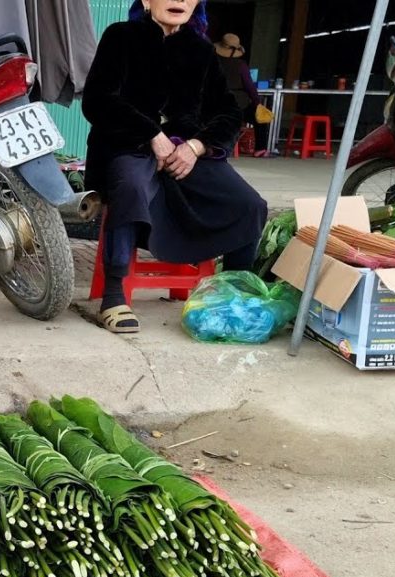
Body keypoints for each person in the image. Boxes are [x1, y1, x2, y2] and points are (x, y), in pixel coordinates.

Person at [81, 0, 267, 333]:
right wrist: (152, 133)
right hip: (130, 145)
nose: (179, 1)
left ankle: (232, 294)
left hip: (187, 155)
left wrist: (196, 146)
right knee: (132, 185)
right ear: (147, 1)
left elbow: (228, 112)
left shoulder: (200, 50)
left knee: (250, 204)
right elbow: (98, 100)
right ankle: (113, 297)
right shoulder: (121, 36)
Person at [214, 33, 270, 157]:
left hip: (215, 106)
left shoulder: (213, 63)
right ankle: (260, 149)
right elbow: (250, 87)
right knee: (259, 118)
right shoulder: (241, 65)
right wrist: (258, 104)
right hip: (239, 106)